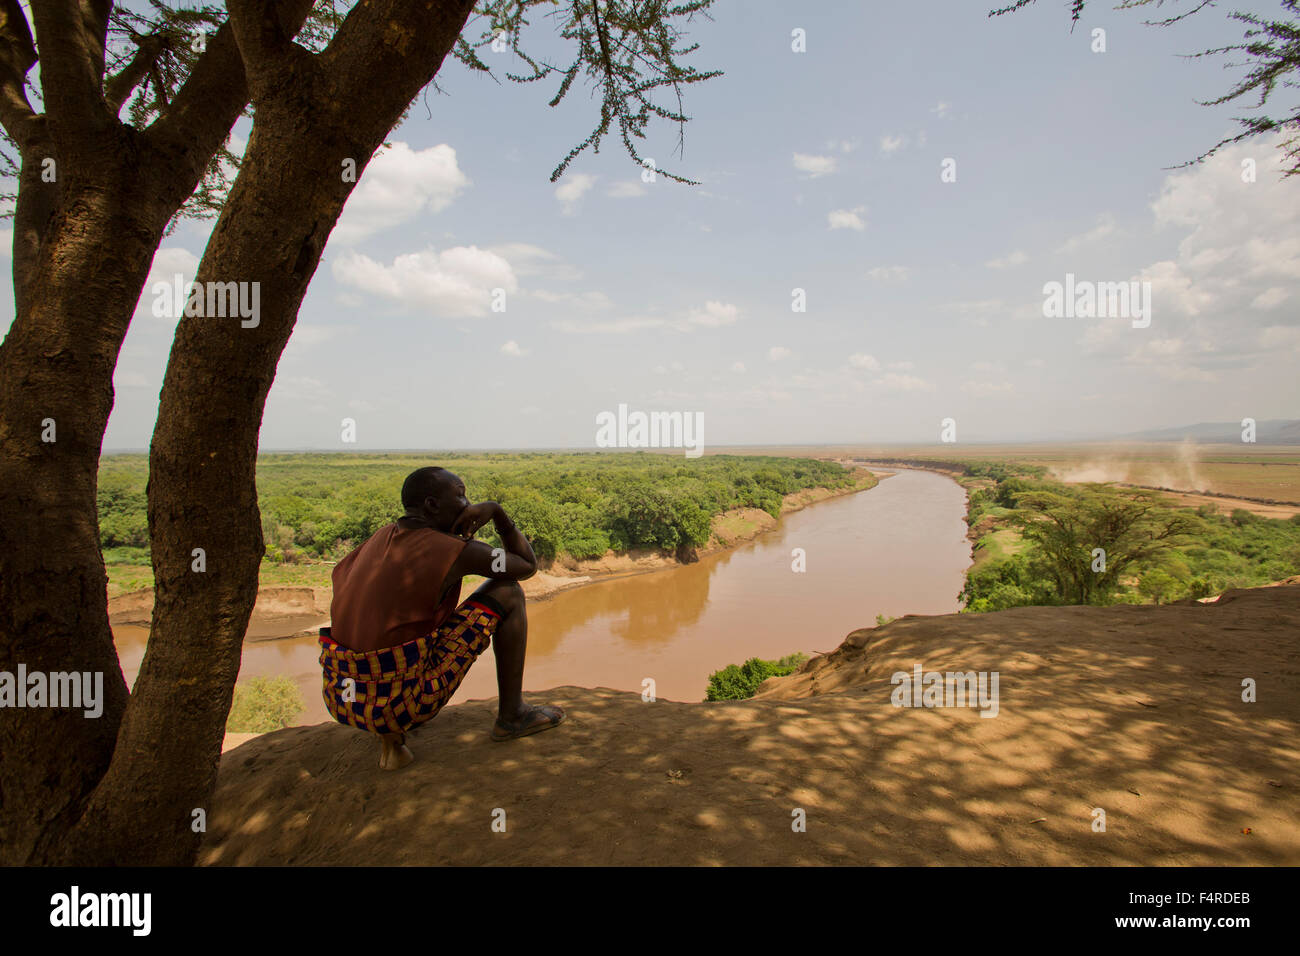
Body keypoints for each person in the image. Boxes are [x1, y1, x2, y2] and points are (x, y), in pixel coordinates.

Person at [319, 466, 564, 769]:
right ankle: (512, 716)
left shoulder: (378, 538)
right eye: (461, 496)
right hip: (401, 704)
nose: (468, 505)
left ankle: (391, 742)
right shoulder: (449, 549)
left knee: (391, 640)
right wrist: (499, 515)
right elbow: (525, 565)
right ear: (432, 505)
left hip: (343, 699)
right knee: (508, 593)